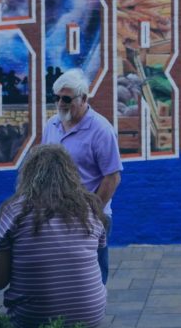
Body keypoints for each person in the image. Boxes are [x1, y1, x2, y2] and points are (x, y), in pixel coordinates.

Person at [0, 144, 107, 328]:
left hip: (32, 319)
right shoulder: (89, 210)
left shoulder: (15, 211)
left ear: (28, 174)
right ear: (71, 175)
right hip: (90, 315)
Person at [41, 68, 122, 284]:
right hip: (56, 214)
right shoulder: (52, 125)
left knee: (92, 273)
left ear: (84, 98)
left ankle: (93, 312)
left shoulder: (101, 130)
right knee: (61, 272)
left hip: (91, 215)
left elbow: (112, 177)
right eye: (56, 97)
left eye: (66, 98)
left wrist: (91, 211)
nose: (60, 103)